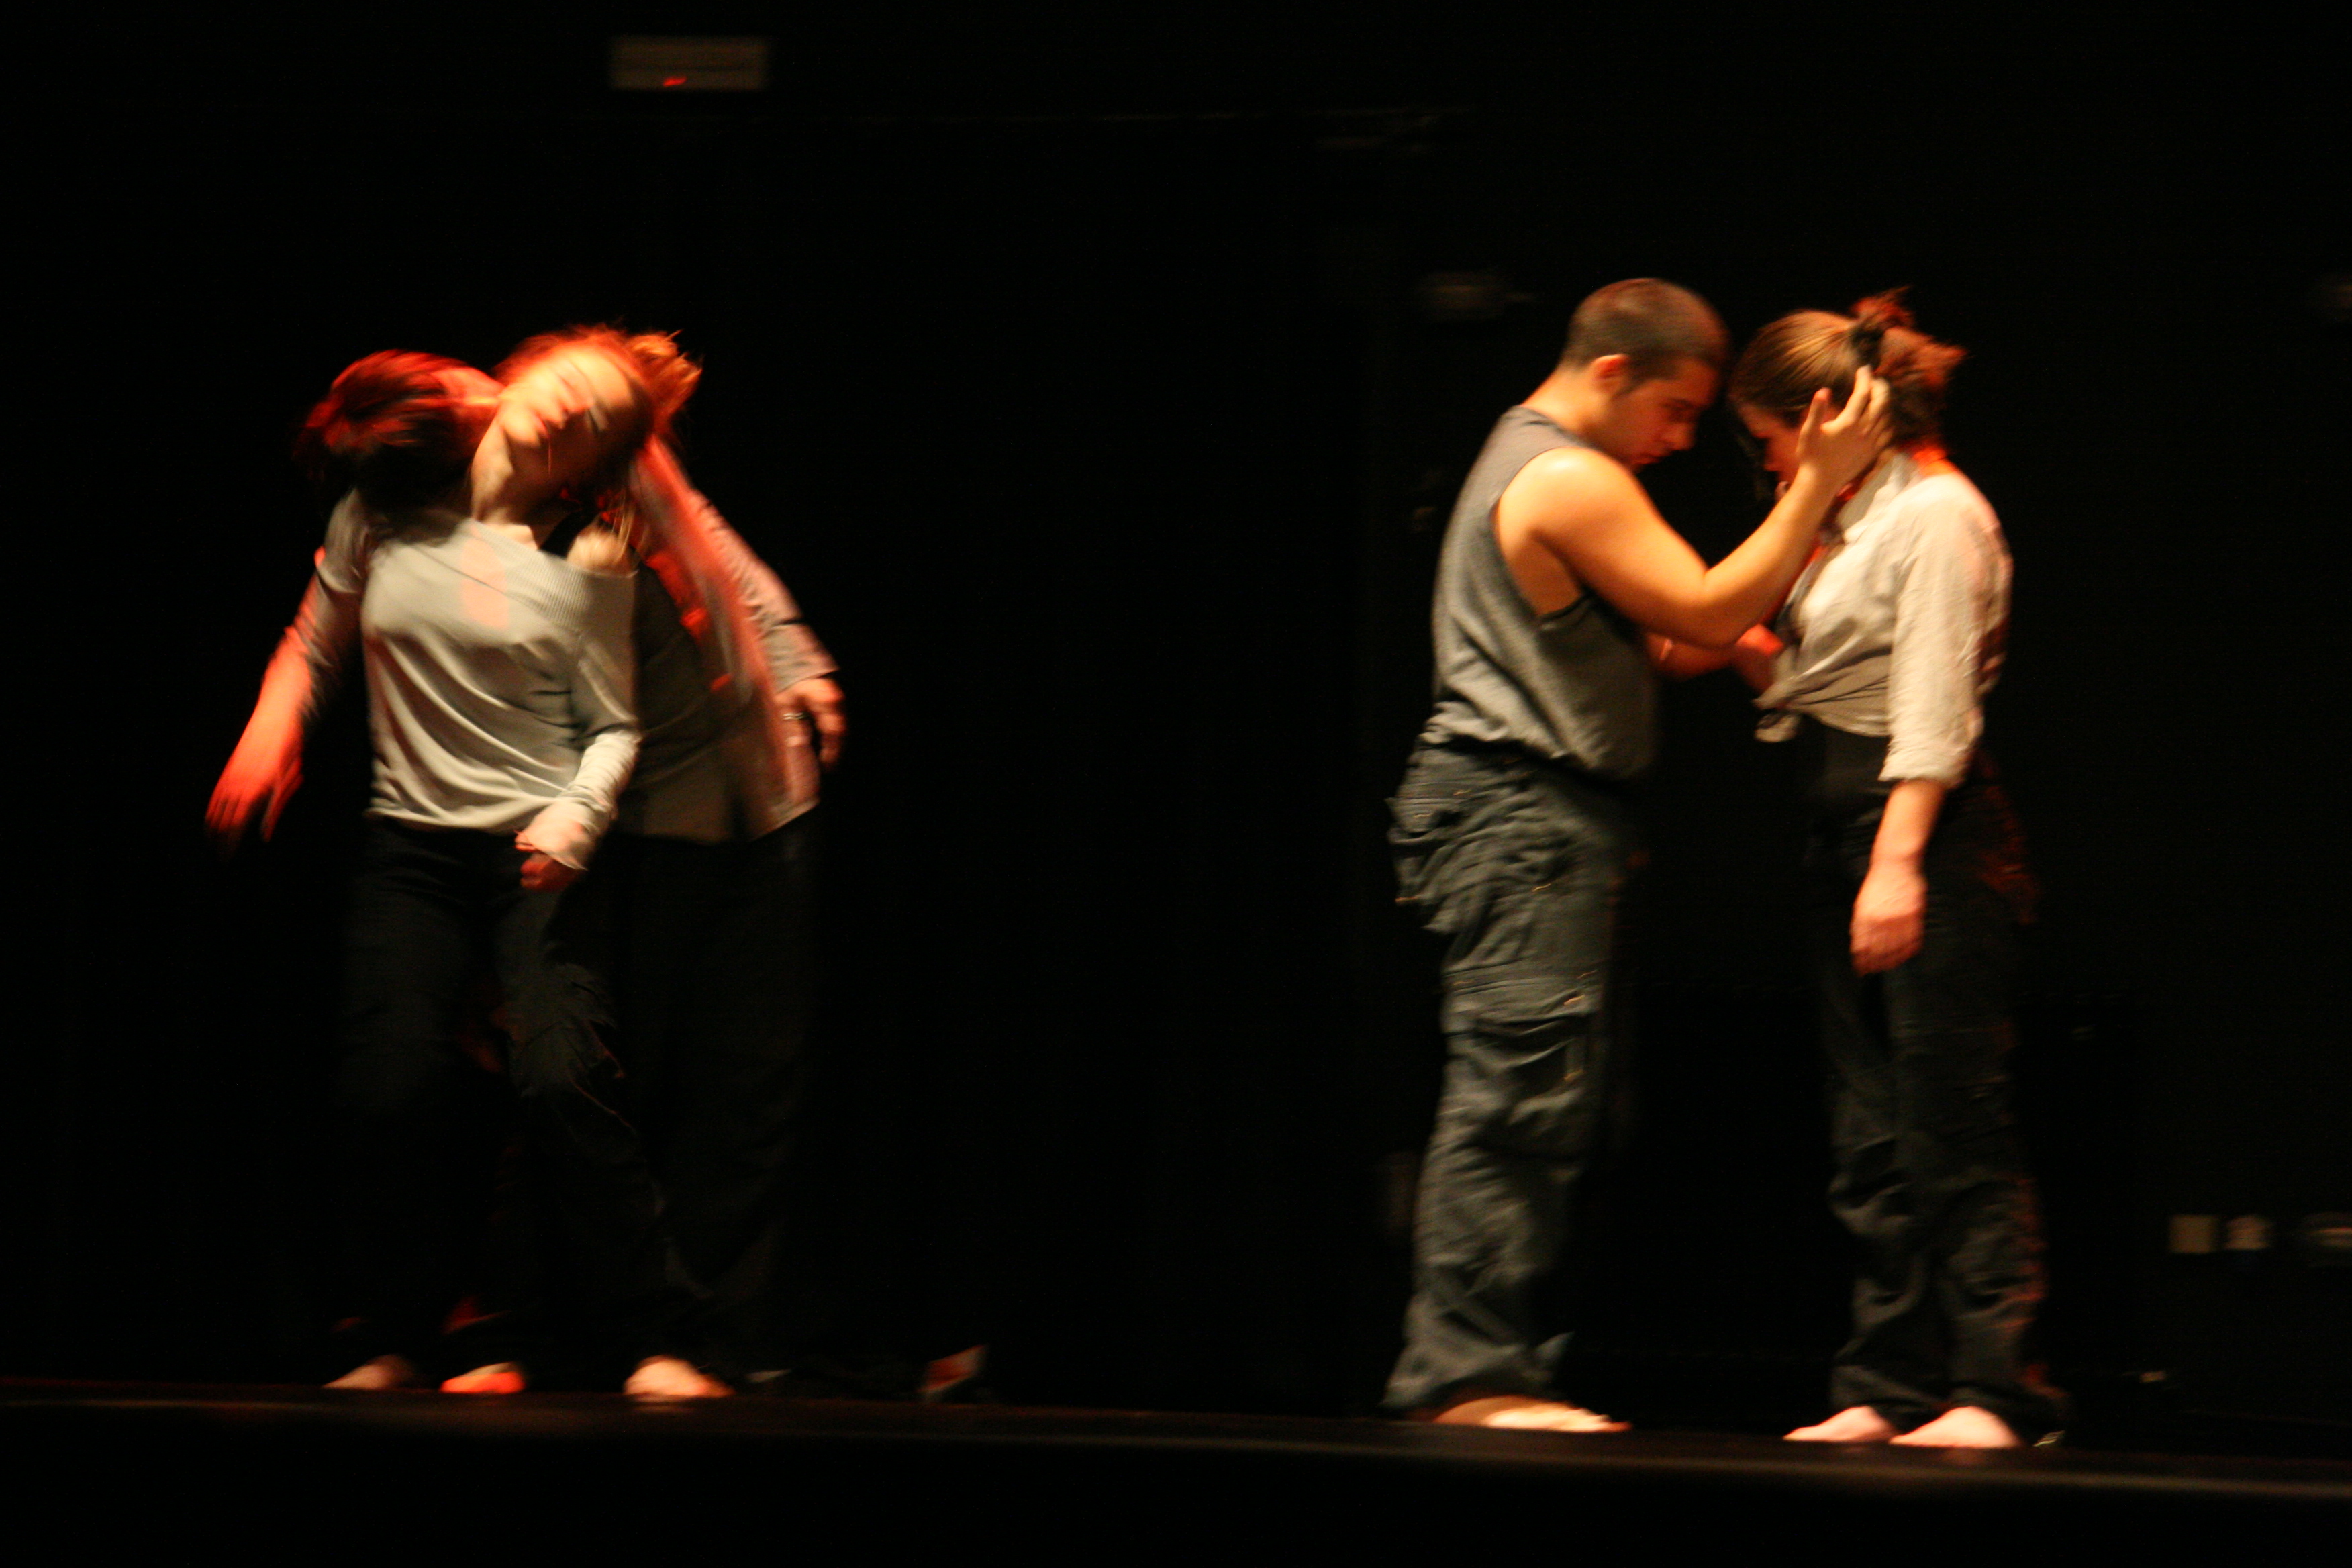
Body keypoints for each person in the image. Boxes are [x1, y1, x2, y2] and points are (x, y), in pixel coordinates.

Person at [1385, 279, 1890, 1430]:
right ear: (1612, 371)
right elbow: (1699, 607)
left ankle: (1506, 1369)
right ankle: (1462, 1380)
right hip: (1522, 812)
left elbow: (1668, 637)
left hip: (1544, 820)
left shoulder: (1545, 464)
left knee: (1568, 1109)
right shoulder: (1568, 474)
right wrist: (1816, 483)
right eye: (1674, 411)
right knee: (1519, 1101)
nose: (1679, 439)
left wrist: (1767, 648)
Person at [207, 341, 724, 1397]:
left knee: (564, 1081)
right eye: (567, 384)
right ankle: (396, 1330)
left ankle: (654, 1337)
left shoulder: (589, 549)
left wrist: (576, 820)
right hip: (413, 848)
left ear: (597, 459)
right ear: (516, 380)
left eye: (597, 419)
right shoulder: (386, 509)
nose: (569, 410)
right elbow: (314, 640)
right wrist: (274, 726)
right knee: (389, 1087)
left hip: (540, 855)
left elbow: (613, 727)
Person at [1726, 294, 2060, 1448]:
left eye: (1770, 438)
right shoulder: (1854, 519)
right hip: (1843, 830)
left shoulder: (1936, 513)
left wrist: (1899, 862)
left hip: (1924, 831)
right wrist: (1729, 634)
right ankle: (1889, 1382)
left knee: (1949, 1120)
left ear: (1829, 414)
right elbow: (1824, 685)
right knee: (1869, 1134)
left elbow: (1932, 697)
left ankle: (1997, 1390)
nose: (1768, 463)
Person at [562, 329, 844, 1383]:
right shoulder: (564, 522)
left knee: (745, 1089)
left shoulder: (669, 491)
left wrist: (803, 668)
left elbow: (745, 588)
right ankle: (597, 1322)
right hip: (651, 831)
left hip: (766, 815)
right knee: (627, 1087)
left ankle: (703, 1338)